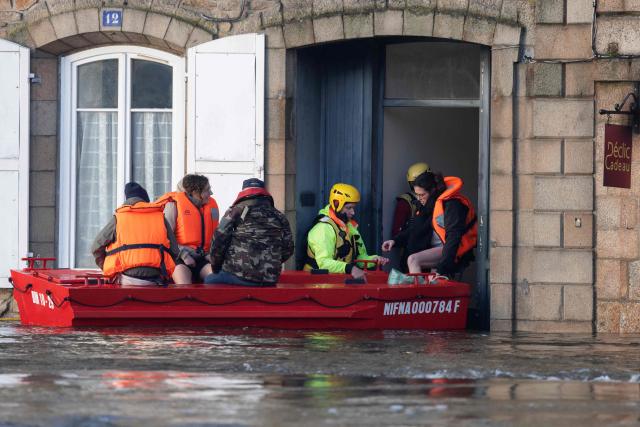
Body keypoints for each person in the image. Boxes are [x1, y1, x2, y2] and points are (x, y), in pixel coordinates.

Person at [382, 172, 477, 276]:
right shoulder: (427, 206)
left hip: (451, 251)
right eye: (416, 195)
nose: (419, 199)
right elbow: (414, 229)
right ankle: (420, 291)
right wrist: (395, 241)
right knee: (430, 282)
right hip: (436, 251)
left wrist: (442, 268)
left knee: (413, 260)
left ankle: (418, 292)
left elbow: (453, 236)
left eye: (422, 195)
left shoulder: (452, 205)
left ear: (432, 191)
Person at [204, 178, 294, 286]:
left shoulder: (234, 212)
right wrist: (270, 263)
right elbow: (288, 248)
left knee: (209, 280)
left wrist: (216, 266)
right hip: (269, 279)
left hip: (238, 276)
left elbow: (219, 240)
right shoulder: (279, 216)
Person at [91, 182, 179, 286]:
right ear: (146, 201)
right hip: (155, 279)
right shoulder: (160, 217)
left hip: (127, 278)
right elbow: (175, 250)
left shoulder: (118, 218)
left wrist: (106, 266)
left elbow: (96, 247)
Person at [303, 183, 389, 279]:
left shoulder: (349, 227)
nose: (353, 212)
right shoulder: (323, 229)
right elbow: (324, 263)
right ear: (336, 204)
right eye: (349, 208)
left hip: (339, 280)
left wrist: (373, 259)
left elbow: (359, 259)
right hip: (317, 282)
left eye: (353, 208)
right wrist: (350, 268)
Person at [157, 174, 219, 284]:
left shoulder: (212, 206)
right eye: (207, 190)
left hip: (203, 257)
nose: (211, 193)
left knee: (215, 279)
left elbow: (216, 235)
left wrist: (212, 254)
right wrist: (184, 256)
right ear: (195, 192)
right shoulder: (173, 205)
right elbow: (165, 237)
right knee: (183, 284)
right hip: (179, 258)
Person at [391, 162, 431, 236]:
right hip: (413, 244)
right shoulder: (405, 202)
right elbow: (397, 231)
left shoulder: (438, 199)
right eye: (414, 183)